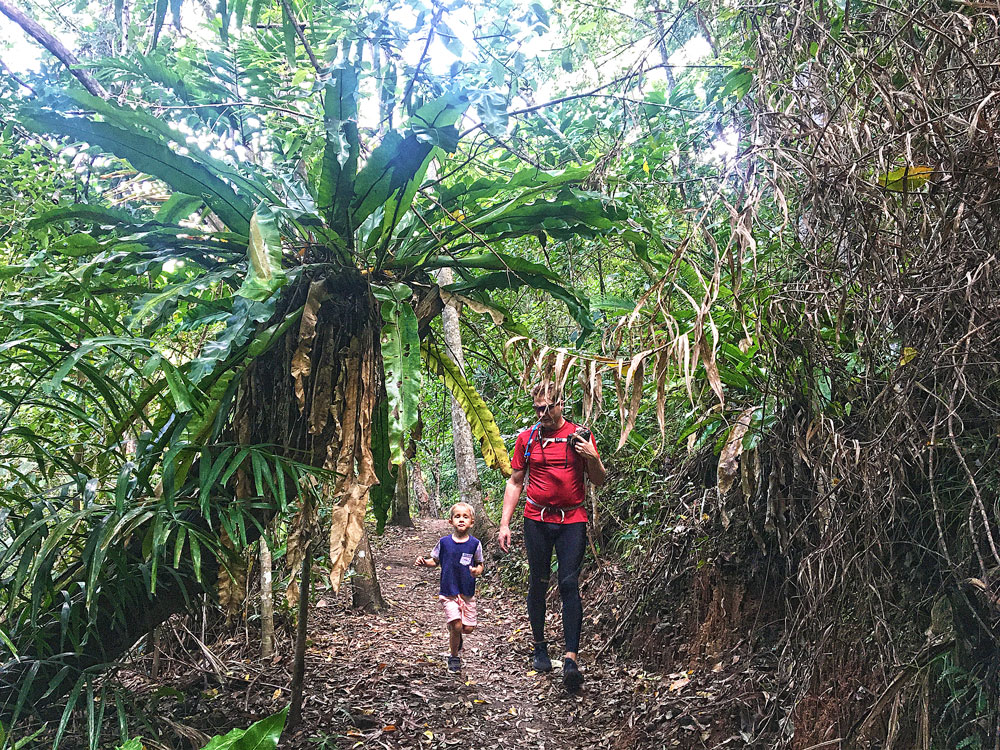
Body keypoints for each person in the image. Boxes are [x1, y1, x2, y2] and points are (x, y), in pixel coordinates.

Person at [498, 383, 607, 692]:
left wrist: (591, 456)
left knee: (569, 583)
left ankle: (571, 658)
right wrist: (504, 524)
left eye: (548, 407)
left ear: (561, 404)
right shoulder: (527, 438)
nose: (543, 413)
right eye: (537, 408)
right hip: (536, 519)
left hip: (572, 519)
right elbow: (516, 481)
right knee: (539, 580)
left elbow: (598, 479)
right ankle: (540, 646)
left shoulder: (580, 435)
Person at [415, 502, 485, 674]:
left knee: (467, 628)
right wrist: (425, 562)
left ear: (472, 522)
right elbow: (435, 561)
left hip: (467, 592)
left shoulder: (475, 544)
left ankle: (456, 634)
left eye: (465, 517)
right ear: (450, 521)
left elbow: (480, 563)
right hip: (448, 591)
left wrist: (477, 571)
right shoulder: (444, 543)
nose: (461, 520)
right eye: (457, 516)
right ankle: (454, 657)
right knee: (456, 624)